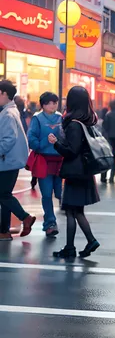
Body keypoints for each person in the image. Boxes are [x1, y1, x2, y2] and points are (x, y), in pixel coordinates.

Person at [48, 86, 100, 259]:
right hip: (84, 172)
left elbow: (71, 151)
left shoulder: (74, 125)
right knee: (77, 211)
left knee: (71, 211)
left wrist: (56, 143)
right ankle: (87, 241)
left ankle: (72, 247)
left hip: (75, 173)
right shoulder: (87, 121)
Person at [0, 80, 36, 241]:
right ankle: (4, 230)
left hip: (7, 161)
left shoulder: (7, 114)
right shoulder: (10, 111)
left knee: (3, 195)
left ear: (4, 94)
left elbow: (8, 140)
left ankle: (25, 217)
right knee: (4, 195)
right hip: (10, 160)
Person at [27, 92, 63, 237]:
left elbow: (68, 138)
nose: (53, 105)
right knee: (47, 194)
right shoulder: (37, 119)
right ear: (43, 105)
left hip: (60, 161)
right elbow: (32, 140)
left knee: (60, 193)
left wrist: (59, 143)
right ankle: (50, 223)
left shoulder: (61, 118)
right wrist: (45, 142)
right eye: (49, 103)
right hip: (44, 161)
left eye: (55, 102)